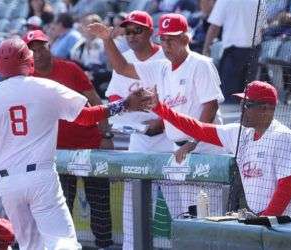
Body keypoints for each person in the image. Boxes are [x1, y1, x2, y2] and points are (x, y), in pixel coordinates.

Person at [0, 37, 151, 250]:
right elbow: (86, 117)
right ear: (27, 60)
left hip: (8, 182)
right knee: (63, 242)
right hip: (40, 177)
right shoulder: (45, 86)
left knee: (31, 246)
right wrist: (123, 105)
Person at [147, 80, 291, 215]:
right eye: (241, 104)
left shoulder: (282, 136)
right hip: (264, 219)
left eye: (247, 105)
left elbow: (287, 185)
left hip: (287, 221)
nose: (242, 109)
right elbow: (198, 129)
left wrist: (267, 221)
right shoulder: (240, 133)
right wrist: (160, 108)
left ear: (265, 109)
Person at [87, 13, 225, 160]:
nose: (166, 45)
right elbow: (123, 68)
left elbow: (211, 107)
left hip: (206, 147)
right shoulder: (162, 67)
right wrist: (107, 40)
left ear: (185, 39)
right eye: (163, 39)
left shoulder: (200, 64)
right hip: (178, 147)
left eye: (171, 39)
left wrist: (193, 142)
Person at [22, 29, 114, 249]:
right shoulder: (25, 79)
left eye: (41, 47)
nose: (38, 53)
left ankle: (104, 246)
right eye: (32, 50)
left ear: (49, 46)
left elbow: (95, 100)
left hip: (90, 146)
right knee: (62, 208)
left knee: (100, 205)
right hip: (57, 154)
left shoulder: (70, 68)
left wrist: (106, 135)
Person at [105, 10, 175, 250]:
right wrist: (124, 109)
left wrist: (163, 123)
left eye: (138, 30)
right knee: (132, 210)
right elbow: (114, 95)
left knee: (180, 208)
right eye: (127, 31)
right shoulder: (122, 59)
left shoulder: (165, 59)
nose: (132, 35)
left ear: (150, 32)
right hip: (139, 138)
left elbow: (180, 102)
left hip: (169, 139)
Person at [202, 0, 266, 103]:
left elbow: (214, 27)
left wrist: (206, 48)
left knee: (229, 96)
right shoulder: (259, 1)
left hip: (233, 53)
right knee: (246, 98)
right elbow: (262, 28)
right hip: (254, 50)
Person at [70, 14, 110, 98]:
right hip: (85, 76)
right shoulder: (80, 43)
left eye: (86, 24)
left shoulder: (102, 43)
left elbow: (101, 66)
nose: (83, 26)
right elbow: (74, 58)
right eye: (83, 24)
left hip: (100, 80)